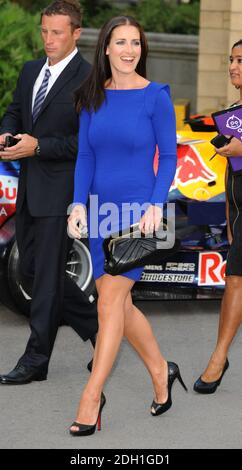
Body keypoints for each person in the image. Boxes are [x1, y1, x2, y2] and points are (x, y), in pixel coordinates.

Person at [67, 15, 187, 437]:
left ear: (141, 49)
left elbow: (169, 157)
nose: (129, 50)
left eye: (135, 42)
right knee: (120, 305)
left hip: (135, 214)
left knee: (108, 305)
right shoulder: (91, 96)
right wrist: (77, 205)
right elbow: (86, 157)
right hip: (99, 210)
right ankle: (161, 371)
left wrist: (156, 204)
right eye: (120, 42)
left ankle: (91, 397)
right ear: (105, 48)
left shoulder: (156, 96)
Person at [0, 0, 98, 385]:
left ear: (76, 33)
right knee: (34, 270)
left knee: (44, 281)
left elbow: (85, 143)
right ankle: (103, 330)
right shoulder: (29, 72)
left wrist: (38, 146)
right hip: (30, 189)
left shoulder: (88, 79)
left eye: (56, 32)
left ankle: (36, 359)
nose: (48, 39)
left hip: (62, 191)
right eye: (44, 31)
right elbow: (14, 110)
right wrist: (7, 132)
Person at [194, 39, 242, 394]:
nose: (233, 67)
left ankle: (218, 358)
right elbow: (231, 170)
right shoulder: (234, 112)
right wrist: (229, 215)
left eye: (240, 61)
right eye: (231, 60)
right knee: (235, 280)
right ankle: (218, 357)